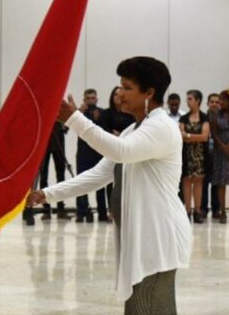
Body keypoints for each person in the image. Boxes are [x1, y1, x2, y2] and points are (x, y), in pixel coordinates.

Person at [29, 56, 192, 314]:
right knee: (139, 307)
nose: (120, 94)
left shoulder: (161, 127)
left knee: (149, 307)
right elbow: (98, 174)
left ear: (149, 92)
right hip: (140, 234)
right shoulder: (135, 129)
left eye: (128, 88)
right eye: (120, 87)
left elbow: (122, 151)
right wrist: (47, 194)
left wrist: (75, 120)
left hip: (157, 236)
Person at [99, 86, 135, 221]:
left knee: (124, 181)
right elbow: (103, 131)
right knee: (109, 182)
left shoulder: (131, 115)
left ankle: (124, 210)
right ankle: (110, 211)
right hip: (110, 151)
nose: (119, 98)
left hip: (127, 152)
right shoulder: (107, 114)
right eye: (116, 95)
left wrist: (120, 135)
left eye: (122, 95)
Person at [74, 88, 105, 223]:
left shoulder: (102, 113)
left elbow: (105, 132)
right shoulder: (79, 114)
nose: (91, 101)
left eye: (93, 98)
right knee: (81, 183)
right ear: (84, 100)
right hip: (83, 153)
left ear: (97, 99)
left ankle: (102, 212)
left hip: (98, 153)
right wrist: (78, 113)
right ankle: (81, 212)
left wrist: (99, 120)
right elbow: (65, 129)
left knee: (100, 184)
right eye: (88, 98)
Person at [179, 90, 210, 223]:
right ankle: (187, 210)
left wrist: (189, 136)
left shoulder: (204, 118)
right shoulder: (183, 118)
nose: (188, 101)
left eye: (190, 99)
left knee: (198, 181)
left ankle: (197, 210)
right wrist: (190, 136)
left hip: (200, 155)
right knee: (186, 181)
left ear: (198, 100)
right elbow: (180, 135)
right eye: (187, 99)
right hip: (186, 154)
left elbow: (205, 137)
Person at [210, 90, 229, 224]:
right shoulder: (216, 115)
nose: (221, 102)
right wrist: (223, 146)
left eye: (223, 99)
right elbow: (214, 133)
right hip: (220, 151)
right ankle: (222, 211)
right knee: (221, 182)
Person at [39, 121, 72, 220]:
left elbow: (66, 128)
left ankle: (61, 208)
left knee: (61, 177)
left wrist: (65, 125)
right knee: (43, 177)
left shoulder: (59, 109)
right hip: (44, 145)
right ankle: (46, 209)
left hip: (58, 144)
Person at [201, 93, 220, 219]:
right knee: (204, 182)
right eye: (211, 101)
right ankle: (203, 209)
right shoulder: (203, 118)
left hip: (219, 155)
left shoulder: (223, 118)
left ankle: (216, 209)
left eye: (217, 102)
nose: (214, 104)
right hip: (204, 154)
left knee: (217, 183)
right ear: (207, 103)